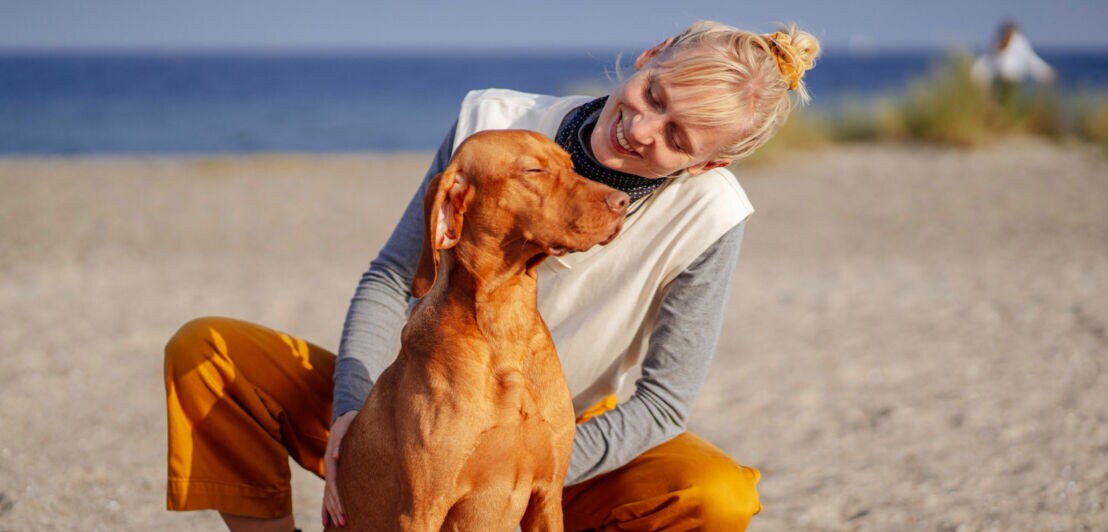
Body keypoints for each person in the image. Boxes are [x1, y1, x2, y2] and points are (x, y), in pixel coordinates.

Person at [164, 20, 820, 531]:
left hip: (568, 440)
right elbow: (396, 278)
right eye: (653, 96)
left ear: (709, 165)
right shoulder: (494, 124)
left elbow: (663, 404)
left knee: (716, 494)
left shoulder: (713, 214)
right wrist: (348, 418)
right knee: (209, 355)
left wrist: (516, 465)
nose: (642, 129)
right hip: (412, 415)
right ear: (649, 56)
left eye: (678, 137)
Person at [971, 21, 1055, 87]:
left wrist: (1044, 71)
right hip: (997, 82)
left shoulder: (1018, 43)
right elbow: (985, 62)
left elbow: (1030, 59)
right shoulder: (996, 46)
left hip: (1011, 82)